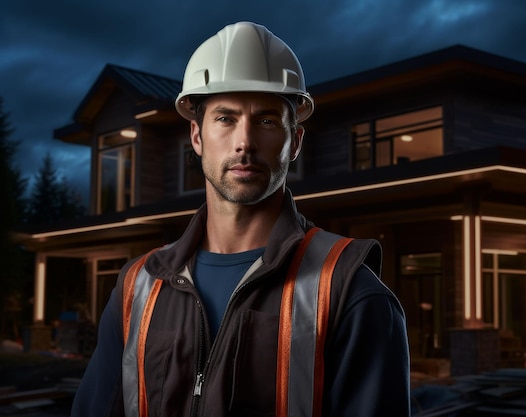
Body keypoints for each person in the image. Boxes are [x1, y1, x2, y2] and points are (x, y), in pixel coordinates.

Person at [71, 21, 410, 417]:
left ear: (294, 142)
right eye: (226, 119)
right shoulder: (137, 289)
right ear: (196, 136)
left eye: (266, 121)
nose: (244, 141)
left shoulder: (349, 292)